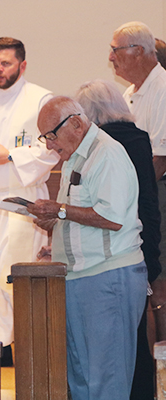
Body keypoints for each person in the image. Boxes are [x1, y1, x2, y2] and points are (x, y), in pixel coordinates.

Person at [28, 96, 147, 400]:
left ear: (76, 124)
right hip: (79, 279)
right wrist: (53, 223)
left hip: (108, 280)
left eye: (50, 136)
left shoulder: (107, 154)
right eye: (45, 138)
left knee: (106, 379)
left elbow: (113, 218)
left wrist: (60, 211)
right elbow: (79, 214)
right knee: (81, 377)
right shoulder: (76, 157)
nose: (48, 146)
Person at [0, 37, 59, 355]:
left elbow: (52, 148)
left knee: (15, 278)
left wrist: (11, 155)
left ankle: (29, 356)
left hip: (23, 202)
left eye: (5, 63)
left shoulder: (41, 100)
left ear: (22, 65)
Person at [75, 79, 160, 400]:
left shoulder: (102, 143)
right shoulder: (139, 138)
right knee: (136, 334)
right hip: (140, 243)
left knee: (110, 345)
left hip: (111, 254)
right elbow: (148, 200)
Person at [110, 20, 166, 356]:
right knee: (146, 287)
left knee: (158, 285)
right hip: (137, 200)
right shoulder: (130, 95)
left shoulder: (163, 89)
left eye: (116, 50)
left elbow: (160, 160)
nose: (111, 57)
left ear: (140, 51)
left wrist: (130, 199)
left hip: (156, 197)